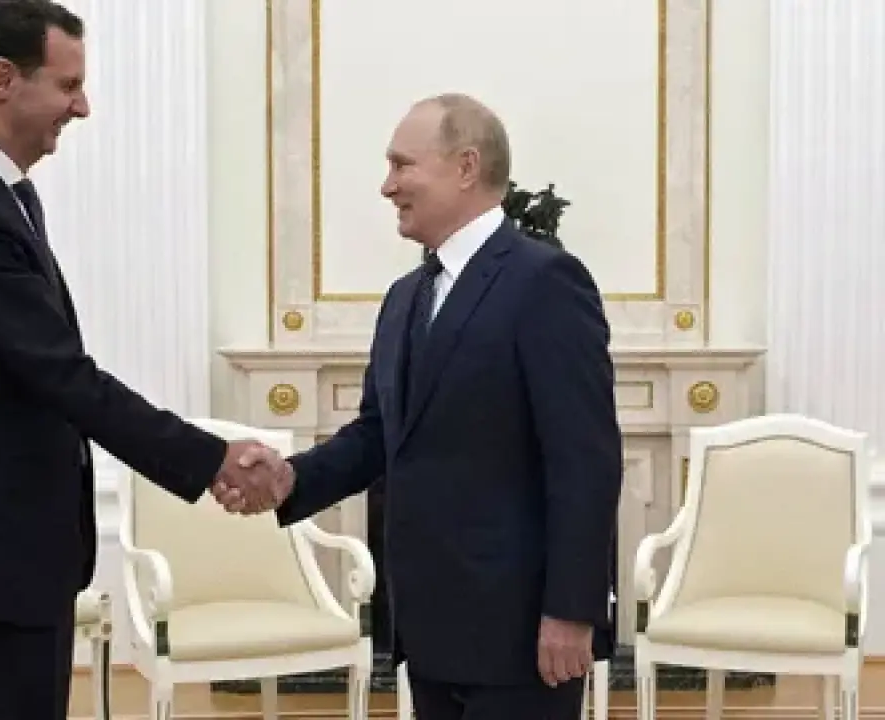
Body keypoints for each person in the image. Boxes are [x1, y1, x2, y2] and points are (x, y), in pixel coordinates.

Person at [0, 2, 286, 717]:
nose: (83, 106)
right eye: (68, 85)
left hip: (13, 552)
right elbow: (63, 376)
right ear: (1, 79)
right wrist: (211, 459)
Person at [217, 94, 622, 719]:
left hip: (521, 635)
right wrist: (291, 478)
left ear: (465, 167)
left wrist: (572, 610)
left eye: (402, 165)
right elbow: (380, 434)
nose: (388, 186)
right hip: (430, 628)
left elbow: (585, 460)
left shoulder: (546, 281)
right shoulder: (405, 297)